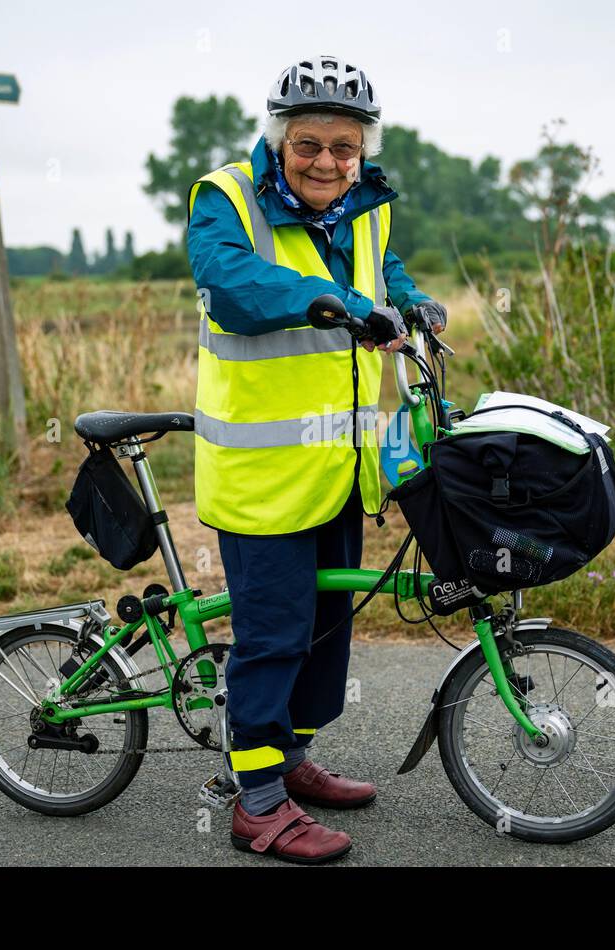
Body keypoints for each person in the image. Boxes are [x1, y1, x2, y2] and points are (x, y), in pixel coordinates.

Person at [184, 55, 447, 863]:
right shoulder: (224, 199)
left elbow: (375, 272)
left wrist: (406, 300)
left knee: (328, 625)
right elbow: (232, 286)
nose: (328, 162)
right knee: (272, 634)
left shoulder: (365, 205)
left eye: (344, 146)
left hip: (342, 462)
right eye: (309, 145)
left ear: (362, 147)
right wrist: (335, 305)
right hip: (264, 475)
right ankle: (255, 802)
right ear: (279, 140)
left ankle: (291, 761)